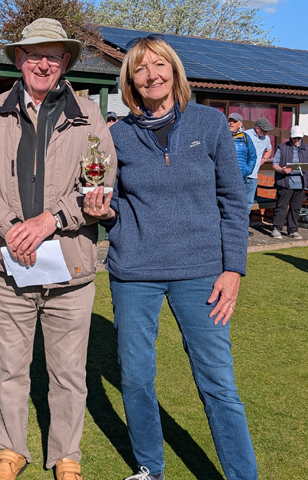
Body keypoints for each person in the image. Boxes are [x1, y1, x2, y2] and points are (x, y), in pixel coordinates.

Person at [84, 34, 258, 480]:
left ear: (174, 72)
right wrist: (105, 212)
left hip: (202, 273)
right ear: (130, 81)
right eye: (140, 69)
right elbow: (114, 204)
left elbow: (233, 202)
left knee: (218, 384)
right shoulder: (115, 136)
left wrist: (233, 269)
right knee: (137, 379)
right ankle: (150, 468)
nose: (151, 75)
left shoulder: (210, 123)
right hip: (134, 274)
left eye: (159, 65)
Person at [0, 18, 116, 480]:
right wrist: (10, 227)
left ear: (65, 61)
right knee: (10, 370)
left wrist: (51, 219)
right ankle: (12, 451)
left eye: (52, 55)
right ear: (18, 60)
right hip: (6, 267)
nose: (42, 63)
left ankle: (66, 456)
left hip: (71, 268)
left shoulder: (89, 116)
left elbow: (101, 183)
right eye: (33, 54)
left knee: (68, 373)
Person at [271, 125, 308, 240]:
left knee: (295, 208)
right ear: (290, 137)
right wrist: (282, 170)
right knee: (281, 206)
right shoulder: (282, 147)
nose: (296, 140)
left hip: (301, 183)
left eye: (298, 138)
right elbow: (274, 163)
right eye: (294, 138)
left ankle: (293, 230)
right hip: (285, 183)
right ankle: (277, 229)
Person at [244, 118, 274, 229]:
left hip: (253, 177)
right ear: (257, 129)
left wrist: (264, 159)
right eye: (265, 130)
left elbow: (269, 149)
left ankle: (243, 229)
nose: (267, 133)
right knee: (237, 203)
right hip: (241, 176)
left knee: (248, 205)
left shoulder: (266, 138)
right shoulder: (245, 135)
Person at [228, 112, 257, 183]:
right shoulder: (221, 136)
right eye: (229, 121)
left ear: (240, 124)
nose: (231, 123)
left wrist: (247, 171)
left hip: (240, 179)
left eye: (234, 121)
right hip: (223, 178)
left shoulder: (245, 138)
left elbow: (252, 156)